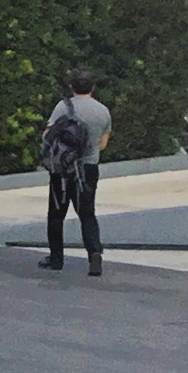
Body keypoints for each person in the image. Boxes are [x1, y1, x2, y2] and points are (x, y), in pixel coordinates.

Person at [41, 72, 112, 275]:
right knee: (87, 213)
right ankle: (94, 254)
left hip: (62, 169)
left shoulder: (63, 107)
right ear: (93, 88)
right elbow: (103, 144)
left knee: (56, 214)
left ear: (72, 86)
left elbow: (47, 135)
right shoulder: (103, 111)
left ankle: (56, 259)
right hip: (88, 168)